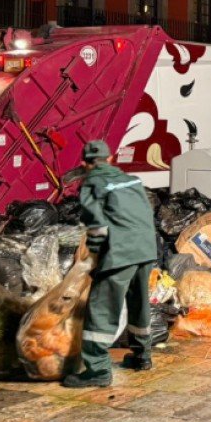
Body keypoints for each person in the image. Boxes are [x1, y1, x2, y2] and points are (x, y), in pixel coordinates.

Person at [63, 140, 157, 388]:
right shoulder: (132, 181)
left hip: (121, 252)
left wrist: (93, 259)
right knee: (139, 303)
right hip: (145, 249)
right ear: (112, 158)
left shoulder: (92, 184)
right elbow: (146, 213)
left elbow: (98, 228)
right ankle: (142, 356)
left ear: (84, 163)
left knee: (101, 308)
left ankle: (98, 370)